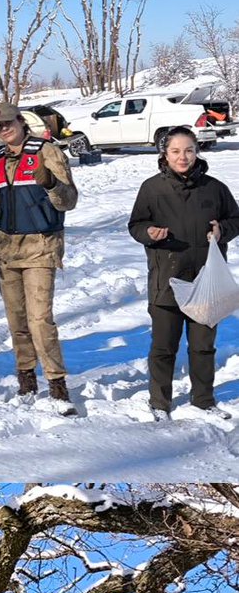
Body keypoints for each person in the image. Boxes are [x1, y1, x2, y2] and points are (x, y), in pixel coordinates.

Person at [0, 102, 78, 413]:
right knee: (17, 321)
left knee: (40, 320)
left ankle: (57, 383)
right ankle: (26, 378)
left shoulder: (46, 152)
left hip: (40, 247)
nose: (4, 129)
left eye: (9, 123)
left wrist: (50, 182)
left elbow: (69, 201)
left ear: (22, 122)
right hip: (5, 250)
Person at [128, 126, 239, 420]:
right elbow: (136, 225)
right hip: (167, 279)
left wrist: (222, 230)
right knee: (164, 346)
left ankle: (203, 400)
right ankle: (160, 402)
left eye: (189, 150)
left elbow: (235, 219)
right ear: (165, 154)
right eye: (176, 151)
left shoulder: (214, 188)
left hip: (205, 280)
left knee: (203, 346)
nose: (183, 157)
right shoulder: (152, 188)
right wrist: (149, 232)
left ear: (196, 152)